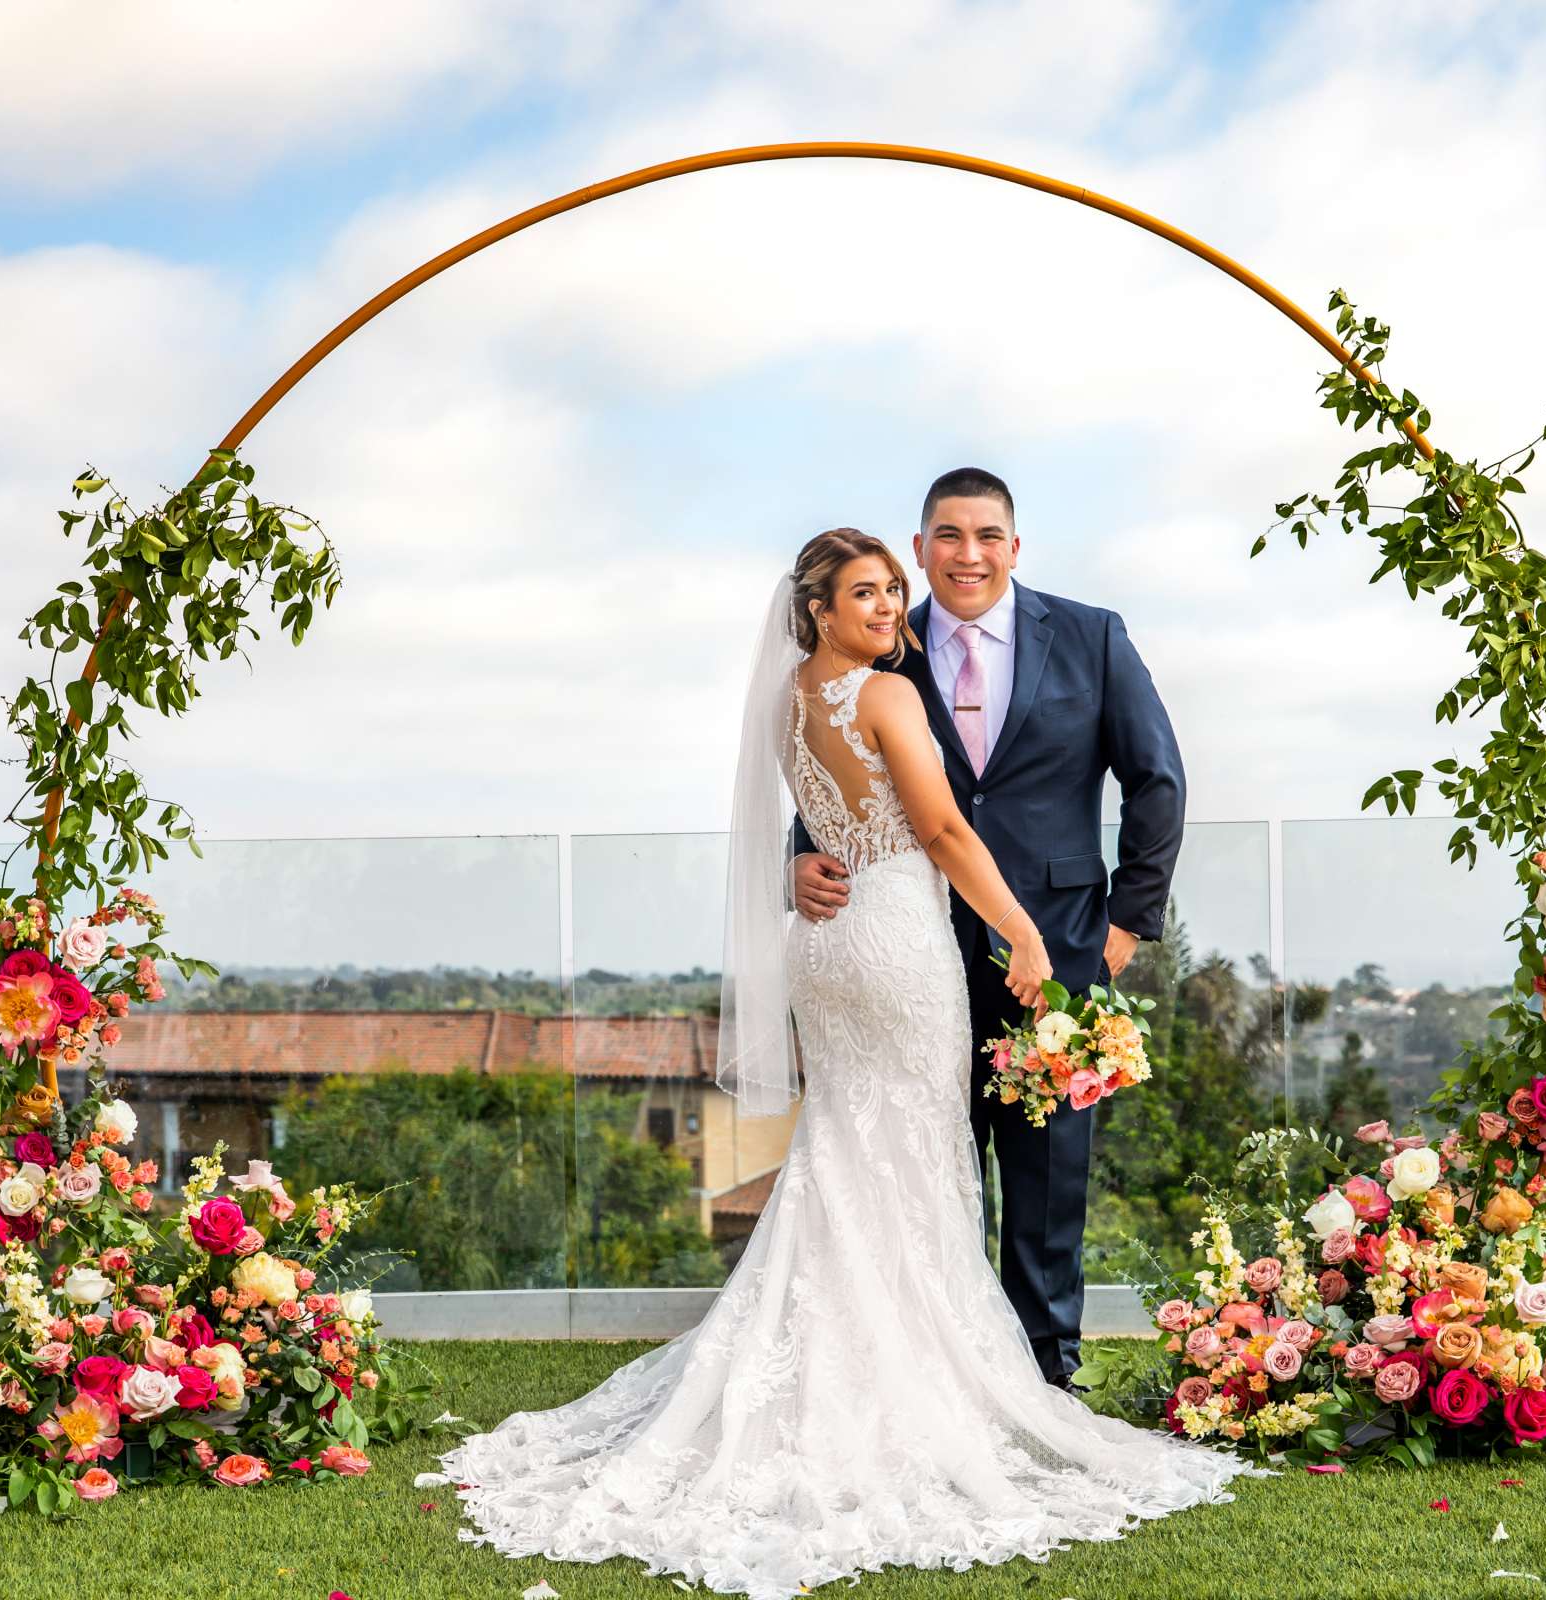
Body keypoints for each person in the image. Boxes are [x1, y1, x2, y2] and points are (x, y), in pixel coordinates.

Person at [441, 527, 1251, 1600]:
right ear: (817, 606)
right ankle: (916, 1382)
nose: (888, 609)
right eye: (867, 593)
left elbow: (828, 816)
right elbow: (947, 832)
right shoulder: (886, 694)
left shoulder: (789, 700)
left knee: (850, 1149)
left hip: (829, 946)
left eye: (892, 593)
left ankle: (853, 1357)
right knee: (907, 1152)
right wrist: (1022, 934)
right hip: (898, 943)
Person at [792, 467, 1185, 1387]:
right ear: (921, 546)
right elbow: (837, 766)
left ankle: (1047, 1373)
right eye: (947, 535)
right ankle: (941, 1371)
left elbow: (1156, 778)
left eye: (987, 535)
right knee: (928, 1157)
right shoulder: (881, 643)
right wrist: (797, 858)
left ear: (1015, 545)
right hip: (912, 947)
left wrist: (1129, 916)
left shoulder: (1091, 637)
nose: (968, 554)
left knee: (1050, 1168)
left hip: (1057, 941)